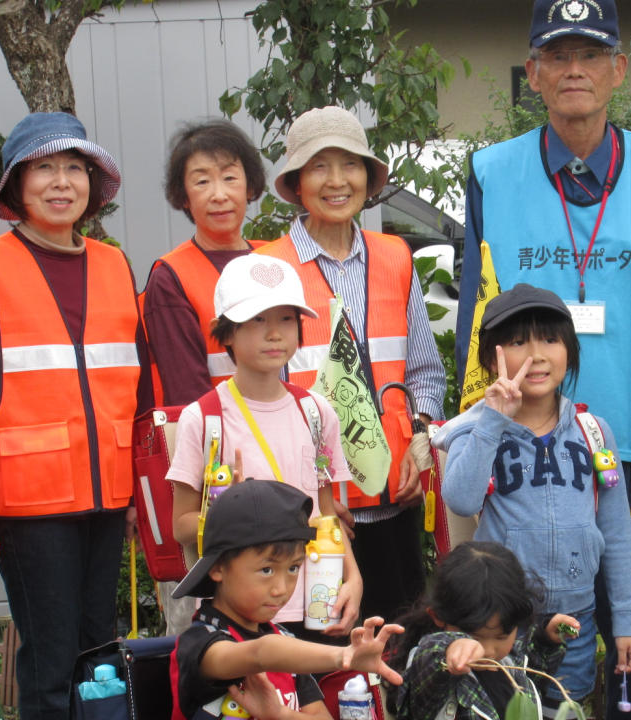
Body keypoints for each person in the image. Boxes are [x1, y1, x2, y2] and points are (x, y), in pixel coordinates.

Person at [455, 1, 631, 711]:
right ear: (531, 73)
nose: (575, 71)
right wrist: (483, 421)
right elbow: (476, 308)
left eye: (591, 55)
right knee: (520, 629)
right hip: (526, 443)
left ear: (619, 69)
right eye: (557, 57)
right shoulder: (493, 173)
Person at [0, 112, 152, 720]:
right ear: (16, 187)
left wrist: (137, 490)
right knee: (52, 656)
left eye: (74, 168)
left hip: (107, 494)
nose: (61, 182)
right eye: (44, 168)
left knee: (101, 651)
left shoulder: (114, 264)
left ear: (92, 184)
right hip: (27, 502)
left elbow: (136, 387)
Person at [256, 105, 446, 624]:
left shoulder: (396, 257)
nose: (337, 181)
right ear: (296, 183)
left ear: (368, 177)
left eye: (351, 165)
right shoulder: (268, 268)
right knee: (325, 657)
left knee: (397, 647)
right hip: (312, 511)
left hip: (395, 499)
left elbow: (424, 374)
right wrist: (311, 491)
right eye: (320, 166)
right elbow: (258, 393)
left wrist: (420, 442)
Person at [434, 284, 631, 709]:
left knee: (568, 707)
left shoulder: (594, 433)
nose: (538, 354)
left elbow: (617, 533)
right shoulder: (476, 431)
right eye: (517, 342)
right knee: (504, 710)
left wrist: (625, 622)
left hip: (575, 620)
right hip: (500, 624)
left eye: (550, 339)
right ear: (493, 357)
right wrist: (493, 421)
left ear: (570, 350)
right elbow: (460, 500)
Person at [169, 254, 364, 640]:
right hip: (241, 610)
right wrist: (228, 509)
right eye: (257, 320)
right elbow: (181, 527)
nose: (274, 333)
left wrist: (353, 577)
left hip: (315, 600)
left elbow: (327, 513)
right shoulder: (205, 418)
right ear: (224, 332)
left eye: (286, 319)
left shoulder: (316, 412)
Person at [144, 118, 270, 635]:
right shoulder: (170, 275)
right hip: (216, 478)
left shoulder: (274, 262)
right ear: (182, 195)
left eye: (230, 177)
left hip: (284, 466)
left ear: (251, 186)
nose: (218, 194)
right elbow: (187, 395)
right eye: (201, 180)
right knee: (211, 636)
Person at [170, 479, 402, 720]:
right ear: (218, 567)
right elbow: (260, 653)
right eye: (267, 570)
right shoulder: (199, 644)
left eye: (293, 568)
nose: (281, 589)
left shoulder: (286, 641)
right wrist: (341, 656)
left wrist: (279, 714)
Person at [387, 542, 579, 719]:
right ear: (438, 616)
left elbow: (532, 673)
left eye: (502, 637)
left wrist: (546, 640)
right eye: (475, 637)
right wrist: (451, 647)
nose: (488, 650)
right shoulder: (438, 676)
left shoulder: (509, 663)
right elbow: (429, 659)